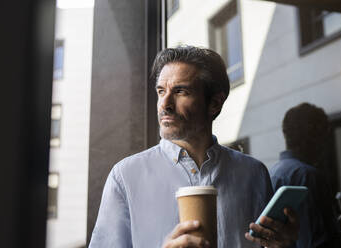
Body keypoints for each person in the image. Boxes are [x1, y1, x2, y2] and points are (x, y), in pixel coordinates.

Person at [89, 46, 299, 248]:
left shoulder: (253, 173)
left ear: (214, 104)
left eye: (180, 91)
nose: (165, 104)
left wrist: (282, 245)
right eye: (161, 91)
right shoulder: (125, 176)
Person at [269, 103, 338, 248]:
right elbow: (319, 243)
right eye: (324, 133)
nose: (325, 143)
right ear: (313, 134)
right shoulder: (308, 176)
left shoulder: (273, 172)